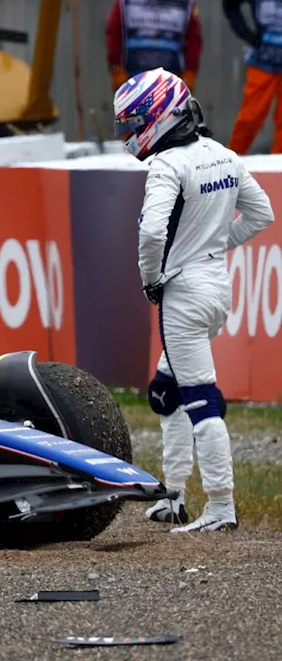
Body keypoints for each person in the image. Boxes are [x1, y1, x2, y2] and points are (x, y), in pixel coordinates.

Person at [114, 68, 274, 533]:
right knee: (166, 395)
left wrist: (152, 279)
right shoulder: (223, 155)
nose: (131, 132)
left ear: (162, 116)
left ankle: (222, 507)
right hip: (216, 291)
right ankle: (173, 495)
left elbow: (150, 232)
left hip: (183, 295)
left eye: (136, 122)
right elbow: (262, 213)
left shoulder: (167, 165)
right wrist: (216, 246)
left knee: (201, 401)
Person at [106, 0, 202, 93]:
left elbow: (194, 40)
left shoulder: (185, 1)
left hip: (171, 81)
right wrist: (116, 68)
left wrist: (190, 72)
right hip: (132, 79)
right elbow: (113, 33)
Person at [224, 0, 282, 154]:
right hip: (263, 60)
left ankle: (279, 172)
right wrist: (247, 34)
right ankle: (228, 164)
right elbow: (230, 4)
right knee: (250, 118)